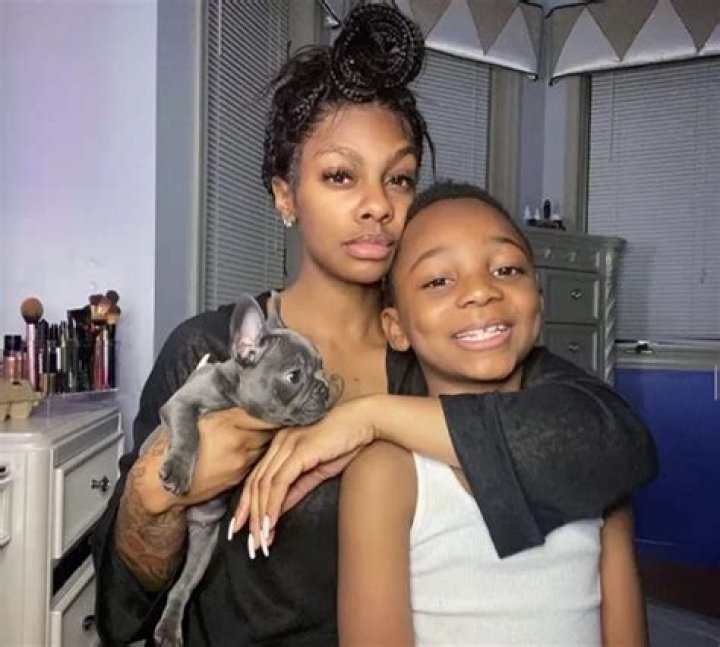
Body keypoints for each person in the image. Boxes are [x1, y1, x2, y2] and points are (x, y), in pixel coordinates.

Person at [92, 4, 656, 646]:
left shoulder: (445, 352)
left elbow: (618, 446)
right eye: (340, 175)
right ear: (285, 194)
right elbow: (122, 613)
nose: (377, 206)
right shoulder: (213, 352)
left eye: (399, 179)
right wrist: (158, 490)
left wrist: (365, 417)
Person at [332, 181, 648, 646]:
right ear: (396, 328)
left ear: (539, 301)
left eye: (506, 269)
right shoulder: (387, 474)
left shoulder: (593, 463)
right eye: (439, 280)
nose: (481, 291)